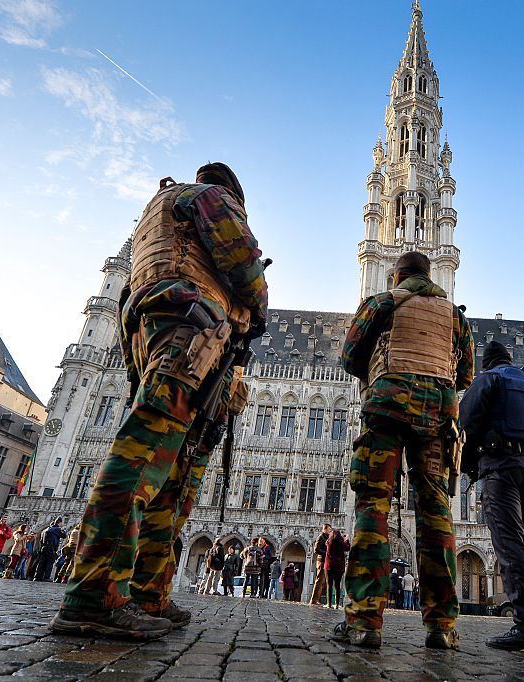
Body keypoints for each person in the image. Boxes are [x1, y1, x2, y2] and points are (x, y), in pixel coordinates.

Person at [51, 163, 268, 640]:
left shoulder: (158, 212)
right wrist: (257, 305)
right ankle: (93, 595)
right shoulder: (208, 198)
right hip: (188, 324)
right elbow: (247, 268)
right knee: (145, 453)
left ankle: (149, 593)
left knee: (173, 467)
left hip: (153, 327)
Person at [330, 251, 474, 651]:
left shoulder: (382, 302)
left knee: (373, 506)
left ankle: (364, 622)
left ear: (397, 275)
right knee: (436, 513)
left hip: (387, 411)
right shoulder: (456, 316)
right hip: (437, 418)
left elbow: (349, 357)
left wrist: (382, 370)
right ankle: (442, 626)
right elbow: (465, 375)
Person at [459, 340, 524, 654]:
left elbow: (465, 425)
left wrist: (469, 465)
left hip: (499, 468)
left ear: (487, 363)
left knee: (510, 548)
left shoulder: (489, 380)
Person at [325, 528, 351, 609]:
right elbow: (347, 548)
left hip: (329, 566)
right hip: (339, 566)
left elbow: (327, 543)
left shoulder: (329, 542)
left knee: (329, 585)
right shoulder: (341, 543)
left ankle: (329, 604)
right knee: (337, 585)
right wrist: (346, 540)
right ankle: (336, 604)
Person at [34, 517, 66, 582]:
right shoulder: (57, 529)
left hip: (43, 547)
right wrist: (63, 529)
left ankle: (37, 576)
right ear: (60, 523)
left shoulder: (46, 529)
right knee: (49, 563)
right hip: (51, 548)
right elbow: (64, 536)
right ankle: (47, 577)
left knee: (41, 563)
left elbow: (41, 540)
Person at [309, 523, 333, 605]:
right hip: (321, 561)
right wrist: (326, 553)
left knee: (322, 581)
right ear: (325, 529)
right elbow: (316, 550)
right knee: (319, 580)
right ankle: (313, 599)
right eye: (329, 530)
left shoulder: (327, 537)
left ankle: (317, 599)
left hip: (325, 561)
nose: (330, 531)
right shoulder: (320, 537)